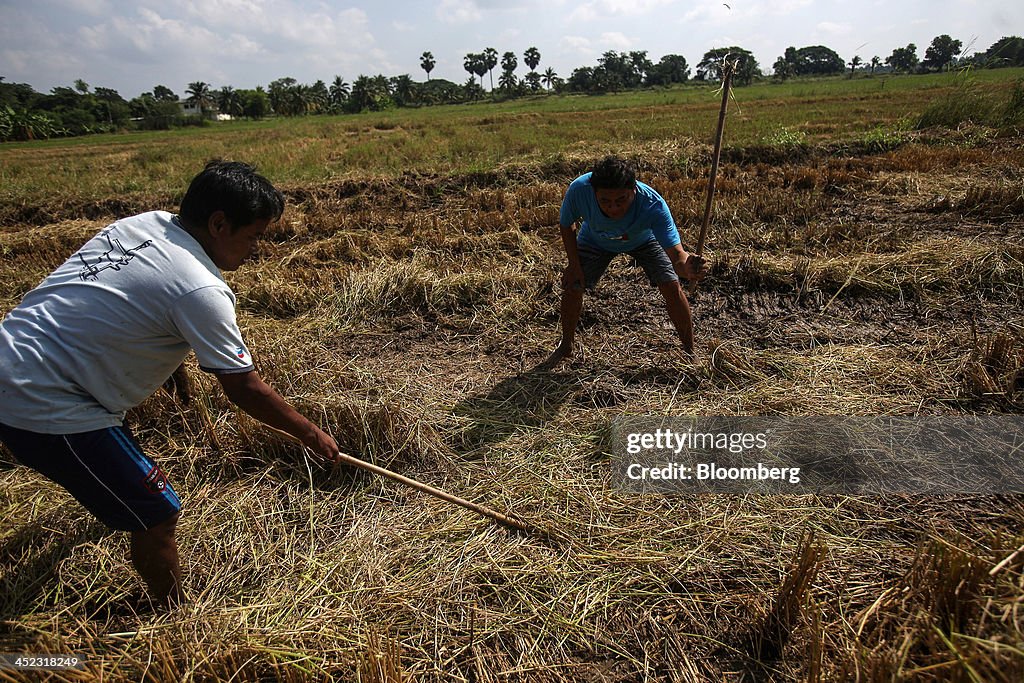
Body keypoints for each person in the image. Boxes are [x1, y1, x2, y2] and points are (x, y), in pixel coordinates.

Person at [0, 160, 341, 607]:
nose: (258, 248)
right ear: (219, 223)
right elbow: (244, 388)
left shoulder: (143, 225)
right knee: (157, 516)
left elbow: (136, 306)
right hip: (46, 400)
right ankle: (178, 617)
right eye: (255, 235)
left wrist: (180, 394)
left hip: (12, 353)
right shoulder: (201, 290)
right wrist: (312, 435)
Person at [545, 155, 707, 365]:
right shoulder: (579, 190)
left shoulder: (653, 205)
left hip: (643, 240)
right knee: (573, 285)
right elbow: (567, 225)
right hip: (595, 239)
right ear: (594, 193)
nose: (613, 208)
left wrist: (686, 267)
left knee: (671, 284)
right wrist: (573, 265)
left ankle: (690, 352)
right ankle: (566, 346)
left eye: (621, 200)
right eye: (605, 201)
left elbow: (677, 256)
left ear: (634, 191)